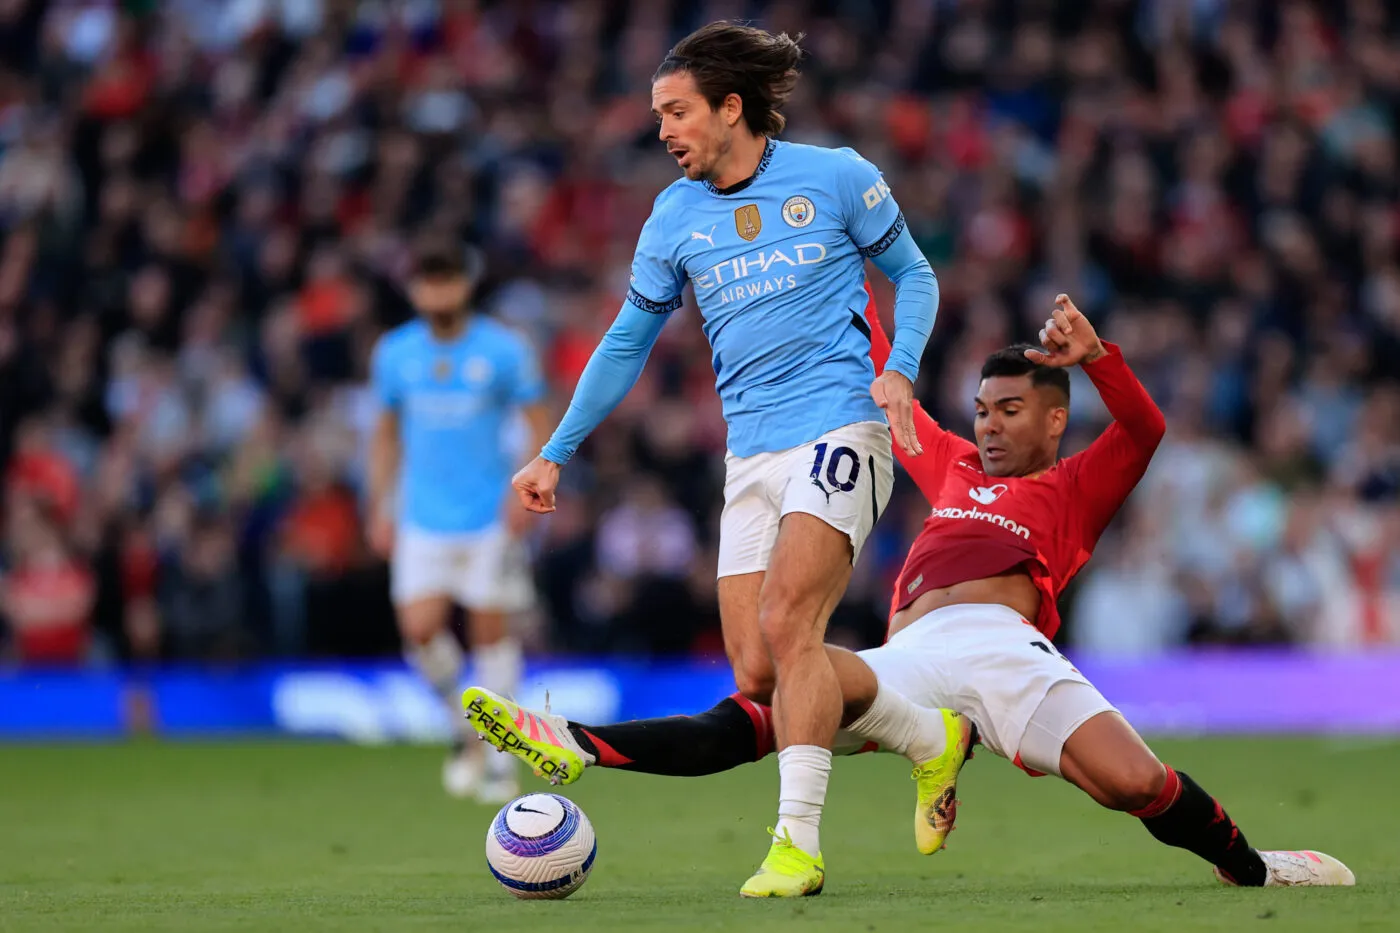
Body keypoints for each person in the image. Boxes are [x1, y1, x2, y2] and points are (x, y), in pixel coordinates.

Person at [467, 295, 1355, 889]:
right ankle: (577, 743)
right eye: (982, 409)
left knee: (1133, 782)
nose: (989, 425)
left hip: (1005, 649)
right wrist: (840, 285)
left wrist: (1099, 359)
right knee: (775, 693)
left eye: (1010, 410)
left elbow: (1145, 427)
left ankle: (1255, 867)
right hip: (912, 655)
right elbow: (887, 394)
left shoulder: (1077, 484)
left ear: (1055, 419)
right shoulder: (954, 464)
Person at [505, 21, 942, 896]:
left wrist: (898, 369)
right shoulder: (673, 218)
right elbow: (625, 342)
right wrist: (555, 451)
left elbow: (918, 275)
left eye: (677, 112)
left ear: (730, 107)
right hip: (751, 455)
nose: (664, 130)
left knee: (789, 621)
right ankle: (931, 735)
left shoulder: (837, 176)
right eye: (658, 115)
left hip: (842, 428)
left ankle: (797, 845)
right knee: (761, 672)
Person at [368, 238, 550, 802]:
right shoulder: (395, 353)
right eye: (428, 281)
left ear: (465, 284)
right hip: (421, 515)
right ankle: (463, 726)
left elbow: (537, 419)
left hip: (488, 515)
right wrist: (380, 504)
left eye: (446, 279)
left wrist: (527, 491)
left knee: (490, 633)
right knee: (419, 630)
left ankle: (500, 759)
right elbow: (386, 434)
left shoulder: (503, 349)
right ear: (414, 289)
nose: (438, 292)